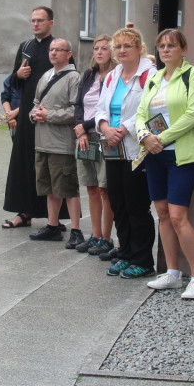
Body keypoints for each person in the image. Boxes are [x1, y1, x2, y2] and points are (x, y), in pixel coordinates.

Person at [136, 29, 194, 299]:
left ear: (183, 49)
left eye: (171, 45)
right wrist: (145, 137)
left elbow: (192, 115)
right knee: (163, 214)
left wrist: (161, 138)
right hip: (155, 154)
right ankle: (173, 273)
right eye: (161, 46)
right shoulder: (154, 78)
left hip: (182, 153)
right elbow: (141, 113)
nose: (165, 50)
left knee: (179, 217)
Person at [94, 27, 156, 278]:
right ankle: (126, 253)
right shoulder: (112, 75)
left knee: (137, 205)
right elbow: (101, 107)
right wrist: (106, 128)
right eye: (117, 46)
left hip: (136, 147)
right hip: (112, 146)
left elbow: (150, 108)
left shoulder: (150, 75)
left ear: (139, 48)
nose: (121, 51)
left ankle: (142, 259)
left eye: (127, 46)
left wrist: (123, 129)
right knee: (118, 202)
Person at [1, 6, 57, 229]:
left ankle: (54, 218)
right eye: (33, 20)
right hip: (26, 115)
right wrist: (18, 74)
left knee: (50, 165)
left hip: (49, 115)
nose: (35, 24)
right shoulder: (25, 47)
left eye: (40, 20)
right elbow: (14, 82)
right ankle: (23, 213)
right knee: (24, 165)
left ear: (50, 23)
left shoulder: (56, 47)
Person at [26, 38, 83, 246]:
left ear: (68, 54)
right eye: (51, 50)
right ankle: (53, 225)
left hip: (61, 143)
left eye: (59, 50)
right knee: (49, 187)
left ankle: (76, 230)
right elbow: (35, 103)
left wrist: (49, 115)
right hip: (42, 141)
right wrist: (34, 115)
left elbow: (75, 110)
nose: (53, 53)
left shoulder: (74, 77)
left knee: (67, 187)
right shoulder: (45, 75)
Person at [73, 34, 115, 254]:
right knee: (90, 186)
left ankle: (106, 238)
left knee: (104, 187)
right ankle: (95, 234)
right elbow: (79, 103)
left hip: (103, 136)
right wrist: (80, 129)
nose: (99, 52)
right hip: (85, 137)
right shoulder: (89, 74)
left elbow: (106, 107)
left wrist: (87, 124)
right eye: (96, 48)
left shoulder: (115, 75)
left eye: (104, 48)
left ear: (113, 51)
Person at [0, 72, 21, 141]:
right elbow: (5, 98)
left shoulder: (36, 79)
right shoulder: (10, 79)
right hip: (13, 121)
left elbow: (33, 101)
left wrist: (15, 112)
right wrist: (9, 116)